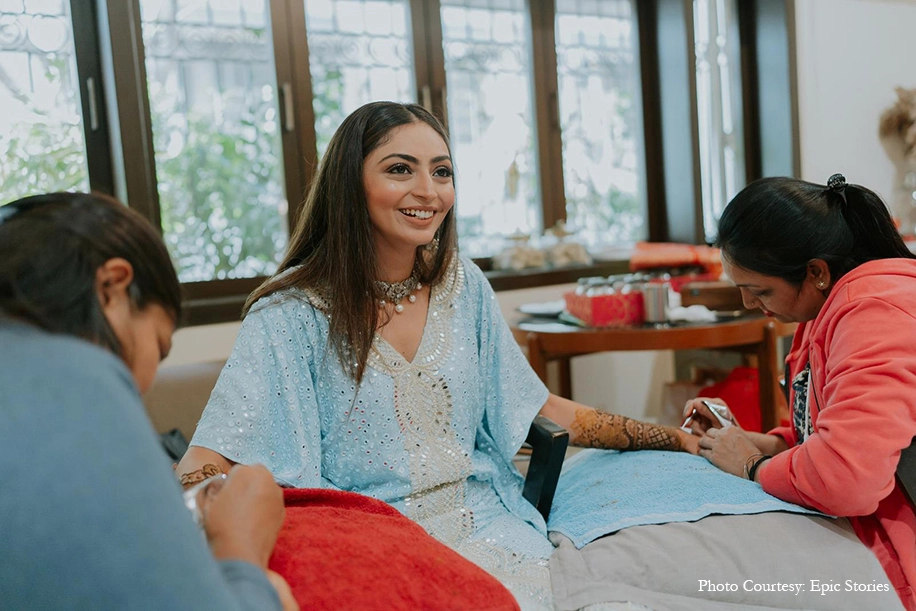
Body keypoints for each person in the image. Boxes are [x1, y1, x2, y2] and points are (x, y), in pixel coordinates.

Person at [176, 101, 699, 610]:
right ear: (349, 184)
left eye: (442, 171)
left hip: (490, 523)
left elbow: (537, 408)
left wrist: (674, 439)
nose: (428, 191)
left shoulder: (463, 284)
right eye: (400, 169)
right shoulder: (289, 314)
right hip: (371, 547)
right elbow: (206, 459)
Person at [0, 192, 297, 610]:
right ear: (111, 287)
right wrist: (242, 547)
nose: (143, 385)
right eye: (158, 347)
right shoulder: (79, 378)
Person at [685, 175, 916, 610]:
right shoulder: (825, 309)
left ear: (816, 272)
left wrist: (752, 465)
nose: (750, 304)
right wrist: (752, 443)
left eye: (760, 291)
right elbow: (829, 435)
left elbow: (848, 479)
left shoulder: (875, 313)